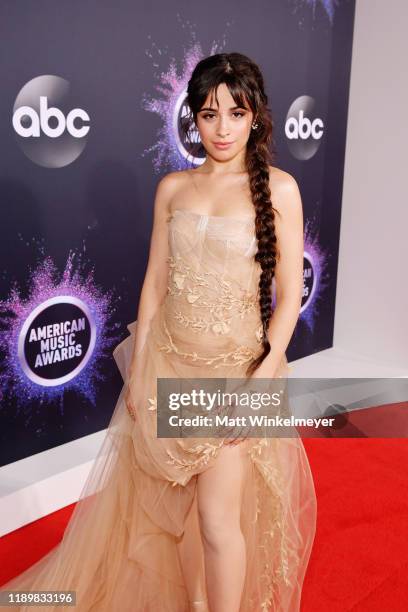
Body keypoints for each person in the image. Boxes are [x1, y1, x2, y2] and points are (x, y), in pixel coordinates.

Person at [1, 52, 317, 611]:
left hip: (235, 378)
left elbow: (289, 299)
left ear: (256, 118)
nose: (222, 128)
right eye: (209, 113)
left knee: (220, 523)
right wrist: (141, 374)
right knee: (178, 517)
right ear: (192, 118)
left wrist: (264, 381)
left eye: (236, 114)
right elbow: (152, 287)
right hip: (170, 365)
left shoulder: (281, 190)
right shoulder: (173, 187)